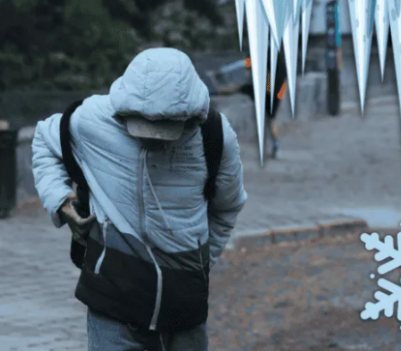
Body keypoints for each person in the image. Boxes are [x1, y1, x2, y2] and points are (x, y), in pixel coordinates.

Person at [32, 48, 247, 351]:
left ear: (189, 117)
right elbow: (44, 140)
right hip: (113, 306)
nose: (152, 138)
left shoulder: (214, 135)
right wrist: (61, 202)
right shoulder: (92, 119)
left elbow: (227, 208)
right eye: (143, 127)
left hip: (185, 313)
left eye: (163, 130)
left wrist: (196, 268)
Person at [216, 50, 287, 158]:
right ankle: (275, 146)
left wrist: (224, 70)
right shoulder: (277, 63)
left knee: (240, 88)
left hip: (265, 92)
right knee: (271, 120)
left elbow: (244, 63)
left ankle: (217, 91)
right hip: (277, 93)